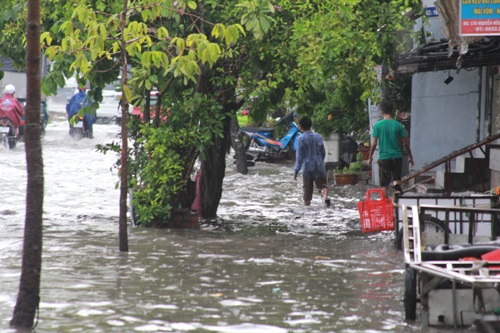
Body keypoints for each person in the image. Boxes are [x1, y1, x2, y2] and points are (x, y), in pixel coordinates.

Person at [368, 100, 414, 197]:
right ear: (392, 111)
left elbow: (374, 143)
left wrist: (370, 157)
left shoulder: (378, 125)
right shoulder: (398, 125)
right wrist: (410, 157)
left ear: (382, 111)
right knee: (397, 179)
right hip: (397, 157)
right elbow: (405, 144)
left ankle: (386, 205)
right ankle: (397, 198)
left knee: (384, 184)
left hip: (384, 158)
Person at [293, 116, 330, 207]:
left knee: (307, 193)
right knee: (323, 186)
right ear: (310, 125)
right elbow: (323, 152)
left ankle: (307, 210)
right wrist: (320, 162)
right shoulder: (318, 136)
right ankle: (325, 197)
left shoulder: (300, 139)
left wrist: (296, 170)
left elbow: (299, 157)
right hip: (319, 167)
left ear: (301, 126)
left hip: (307, 168)